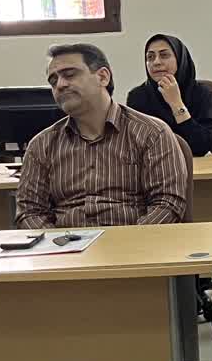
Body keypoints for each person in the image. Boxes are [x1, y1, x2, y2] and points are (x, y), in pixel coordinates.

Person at [14, 43, 189, 229]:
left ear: (103, 77)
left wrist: (130, 241)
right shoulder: (41, 145)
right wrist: (53, 242)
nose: (60, 85)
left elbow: (167, 204)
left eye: (70, 75)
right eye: (53, 80)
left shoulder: (151, 132)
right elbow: (29, 212)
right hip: (64, 242)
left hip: (133, 241)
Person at [125, 33, 212, 158]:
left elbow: (201, 147)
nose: (156, 62)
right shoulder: (137, 97)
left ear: (180, 59)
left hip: (198, 164)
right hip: (156, 166)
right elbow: (136, 148)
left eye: (164, 55)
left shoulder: (203, 93)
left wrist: (176, 103)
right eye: (150, 57)